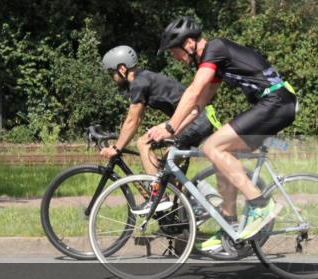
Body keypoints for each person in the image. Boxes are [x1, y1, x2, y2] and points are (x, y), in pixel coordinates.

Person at [145, 17, 297, 252]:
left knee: (212, 147)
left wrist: (168, 127)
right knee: (221, 156)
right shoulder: (214, 61)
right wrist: (172, 128)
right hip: (275, 104)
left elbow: (194, 91)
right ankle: (229, 224)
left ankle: (260, 205)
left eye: (175, 51)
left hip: (276, 101)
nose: (175, 58)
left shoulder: (216, 48)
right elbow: (198, 106)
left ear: (188, 43)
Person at [100, 45, 220, 173]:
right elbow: (137, 118)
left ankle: (155, 193)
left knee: (143, 143)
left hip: (194, 120)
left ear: (122, 69)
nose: (112, 77)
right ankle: (181, 191)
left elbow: (132, 121)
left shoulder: (138, 84)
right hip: (200, 119)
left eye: (111, 72)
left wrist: (116, 148)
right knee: (166, 173)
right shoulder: (145, 77)